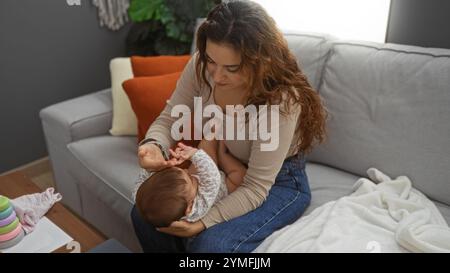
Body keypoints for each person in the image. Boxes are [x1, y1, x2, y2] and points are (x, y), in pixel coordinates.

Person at [131, 0, 327, 253]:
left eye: (232, 68)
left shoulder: (281, 101)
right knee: (143, 214)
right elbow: (170, 118)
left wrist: (203, 221)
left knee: (211, 245)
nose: (216, 76)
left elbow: (255, 187)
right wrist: (153, 145)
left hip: (279, 182)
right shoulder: (201, 65)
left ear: (261, 62)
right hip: (223, 166)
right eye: (212, 61)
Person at [134, 139, 247, 228]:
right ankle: (223, 154)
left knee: (205, 146)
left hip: (201, 181)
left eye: (184, 171)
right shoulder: (197, 209)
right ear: (190, 207)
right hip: (222, 187)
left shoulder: (148, 202)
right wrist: (195, 155)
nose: (186, 170)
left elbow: (141, 185)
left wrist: (153, 168)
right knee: (239, 175)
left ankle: (213, 133)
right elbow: (213, 178)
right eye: (190, 179)